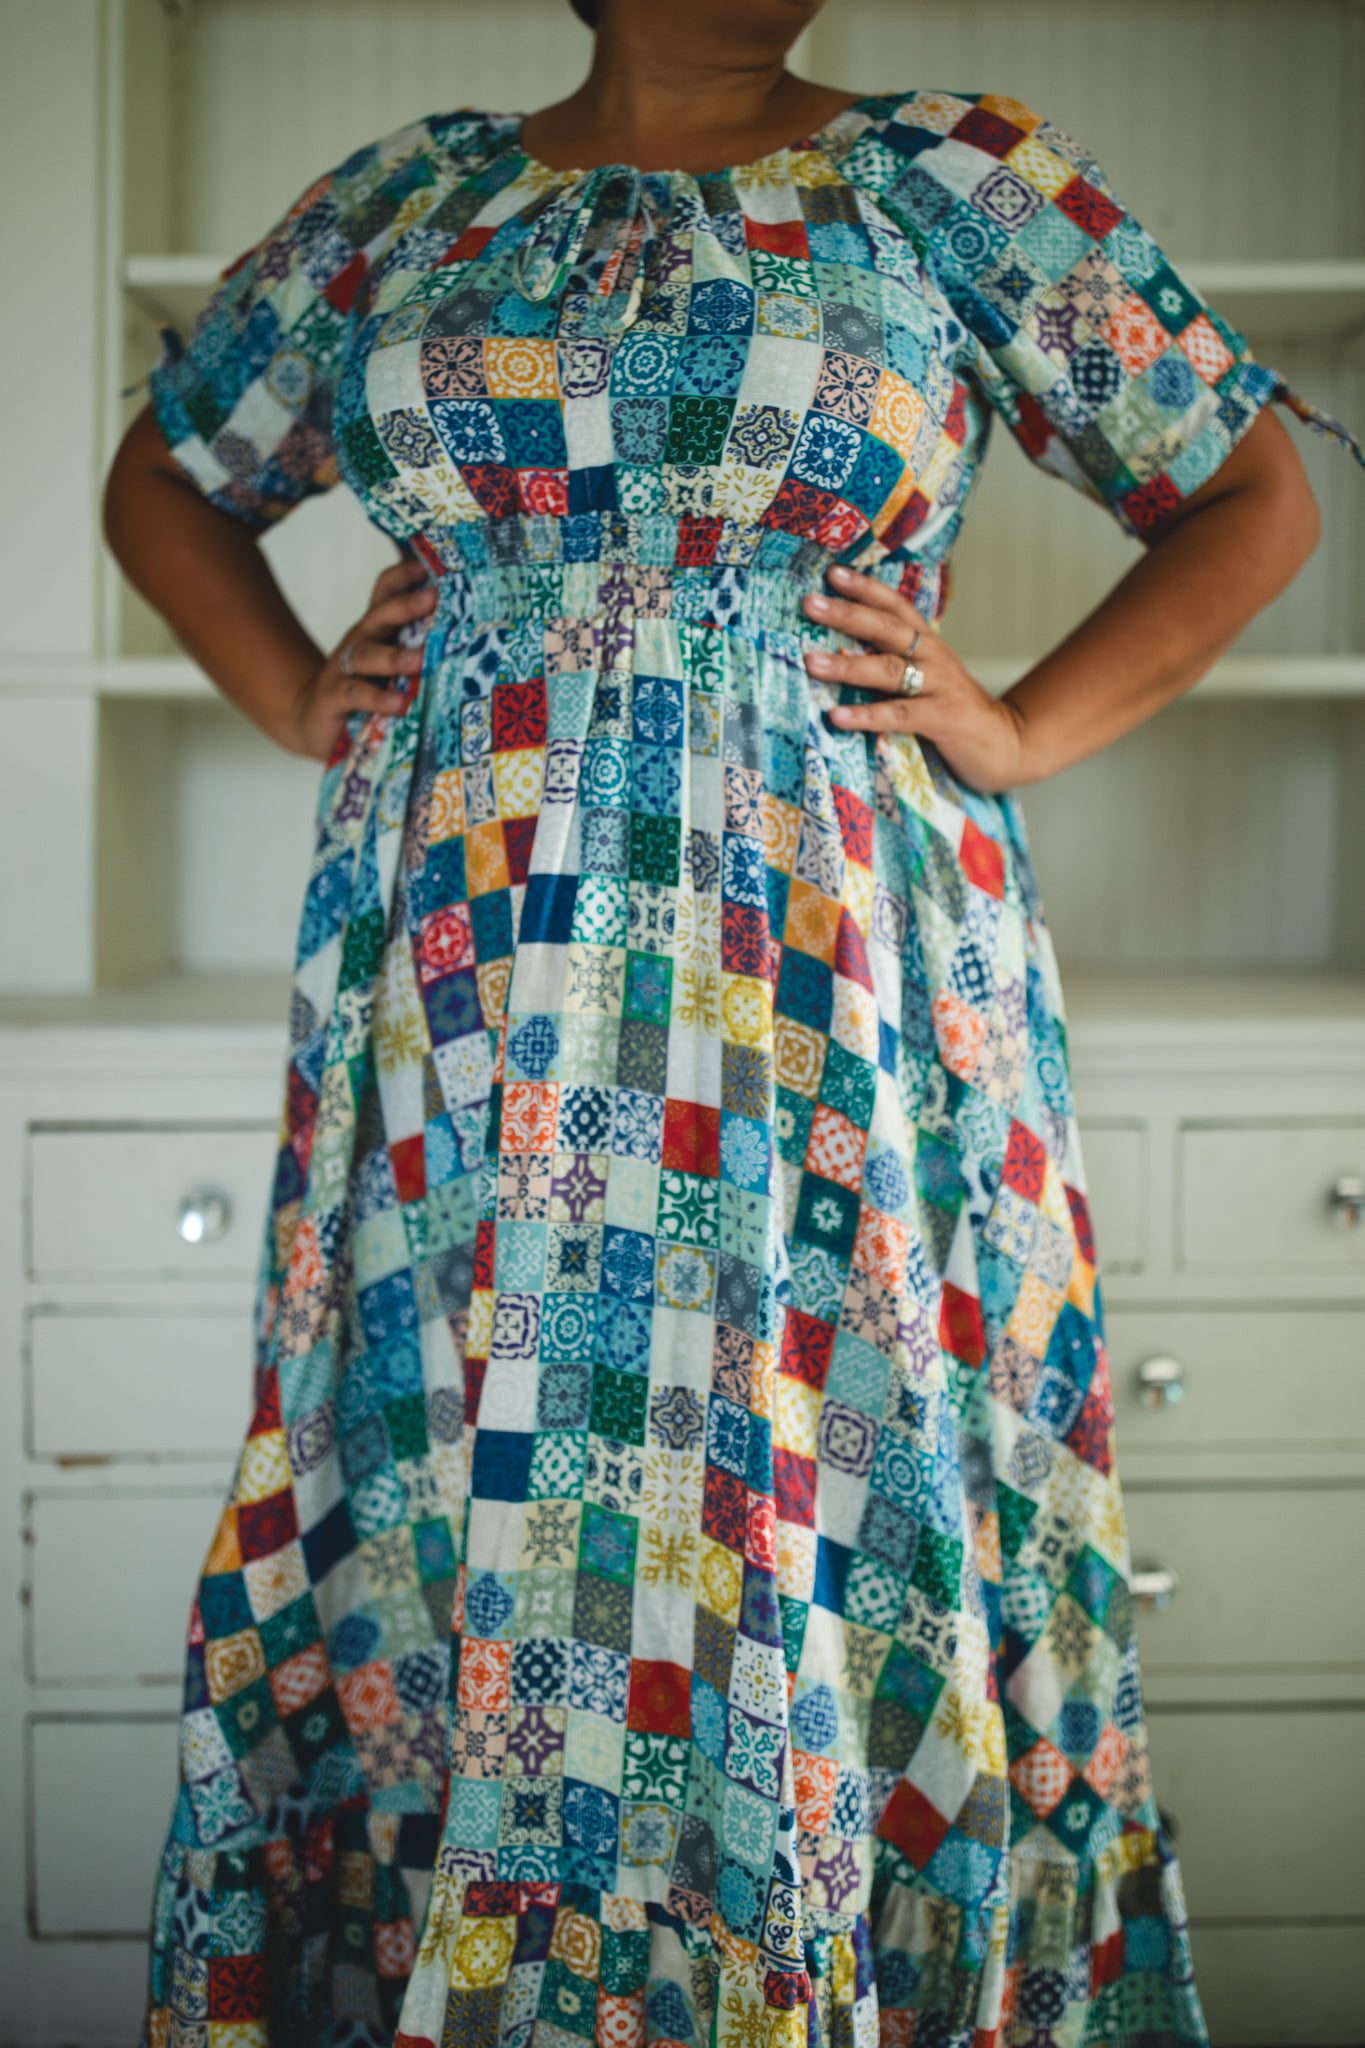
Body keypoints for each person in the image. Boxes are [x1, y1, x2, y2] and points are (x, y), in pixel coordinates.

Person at [104, 2, 1361, 2042]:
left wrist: (1021, 722)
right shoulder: (411, 202)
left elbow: (1251, 499)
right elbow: (170, 474)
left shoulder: (948, 182)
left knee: (817, 1468)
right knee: (470, 1492)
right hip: (471, 998)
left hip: (832, 975)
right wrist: (288, 687)